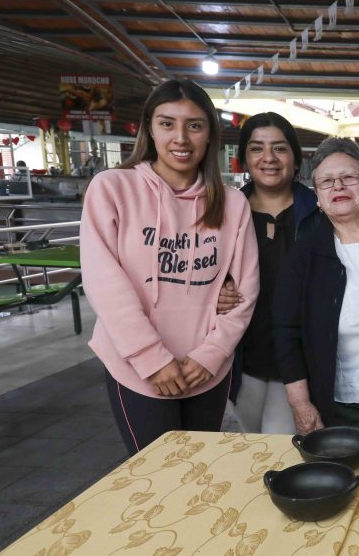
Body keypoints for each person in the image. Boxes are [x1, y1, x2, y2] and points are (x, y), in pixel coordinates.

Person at [79, 79, 259, 455]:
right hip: (138, 369)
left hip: (206, 370)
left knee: (198, 473)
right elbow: (105, 284)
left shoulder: (231, 204)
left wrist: (211, 354)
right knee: (155, 478)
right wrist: (152, 360)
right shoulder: (112, 188)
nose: (181, 137)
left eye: (194, 125)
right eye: (167, 123)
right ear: (149, 128)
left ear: (210, 134)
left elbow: (246, 288)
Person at [272, 137, 359, 437]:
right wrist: (300, 403)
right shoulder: (304, 255)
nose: (338, 186)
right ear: (318, 197)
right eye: (326, 181)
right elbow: (286, 332)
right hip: (340, 398)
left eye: (349, 177)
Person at [219, 112, 318, 434]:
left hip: (298, 359)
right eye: (257, 148)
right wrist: (212, 294)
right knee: (246, 447)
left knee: (280, 449)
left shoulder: (320, 211)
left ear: (295, 156)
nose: (269, 159)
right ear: (244, 158)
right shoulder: (223, 211)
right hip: (241, 356)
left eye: (280, 148)